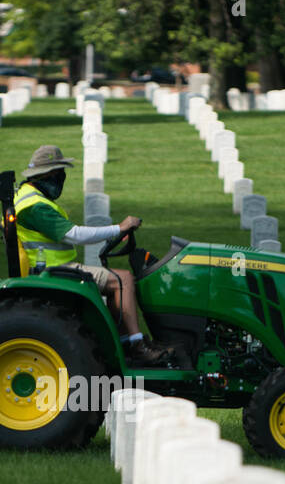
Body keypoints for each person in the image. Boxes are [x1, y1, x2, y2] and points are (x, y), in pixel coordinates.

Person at [14, 144, 170, 365]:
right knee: (122, 279)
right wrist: (119, 228)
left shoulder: (26, 196)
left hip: (49, 266)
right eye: (59, 174)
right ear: (47, 175)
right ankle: (137, 345)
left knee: (115, 278)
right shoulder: (36, 207)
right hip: (53, 270)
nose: (62, 179)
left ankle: (124, 340)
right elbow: (75, 235)